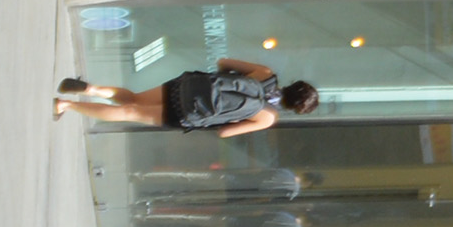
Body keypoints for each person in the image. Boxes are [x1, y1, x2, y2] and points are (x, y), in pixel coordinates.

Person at [60, 58, 317, 138]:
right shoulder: (267, 117)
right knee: (130, 112)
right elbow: (224, 133)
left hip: (186, 87)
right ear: (293, 108)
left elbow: (224, 61)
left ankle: (92, 90)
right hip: (189, 113)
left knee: (134, 99)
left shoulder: (265, 74)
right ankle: (68, 105)